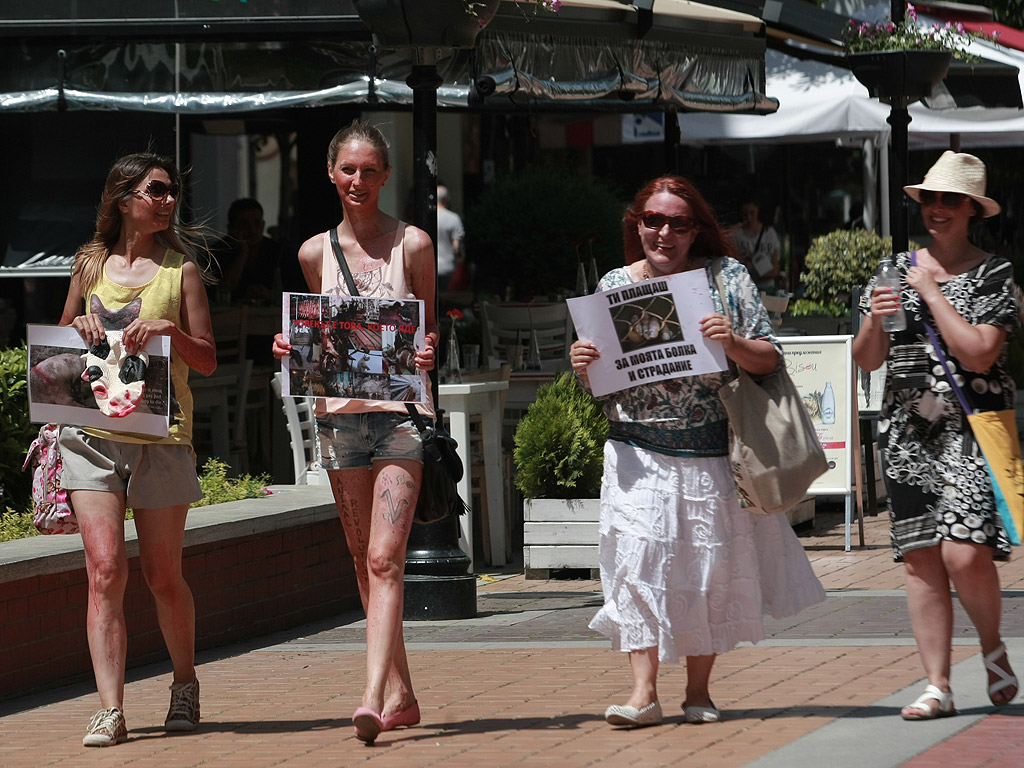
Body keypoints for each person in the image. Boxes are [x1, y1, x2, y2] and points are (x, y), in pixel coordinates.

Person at [570, 175, 825, 729]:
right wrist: (584, 366)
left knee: (708, 570)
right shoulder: (615, 283)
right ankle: (642, 693)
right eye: (653, 221)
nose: (664, 233)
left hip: (711, 451)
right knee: (637, 566)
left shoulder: (726, 278)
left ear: (696, 230)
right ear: (636, 226)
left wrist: (731, 341)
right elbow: (602, 385)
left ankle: (698, 691)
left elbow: (769, 360)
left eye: (678, 223)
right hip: (636, 450)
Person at [272, 120, 438, 744]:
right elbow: (315, 333)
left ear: (386, 175)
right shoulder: (315, 253)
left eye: (370, 170)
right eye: (349, 170)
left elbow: (428, 329)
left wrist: (427, 352)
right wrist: (291, 345)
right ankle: (401, 693)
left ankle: (370, 695)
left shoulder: (413, 244)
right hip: (338, 422)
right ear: (332, 175)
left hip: (400, 418)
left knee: (383, 558)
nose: (359, 181)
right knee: (361, 561)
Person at [852, 151, 1019, 720]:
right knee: (922, 558)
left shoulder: (994, 273)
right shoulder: (891, 268)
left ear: (973, 209)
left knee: (964, 551)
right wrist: (876, 315)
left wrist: (931, 292)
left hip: (970, 424)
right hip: (908, 432)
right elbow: (867, 359)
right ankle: (937, 685)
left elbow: (979, 353)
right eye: (930, 199)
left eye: (951, 200)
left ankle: (992, 646)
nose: (938, 209)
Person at [56, 152, 217, 746]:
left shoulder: (182, 272)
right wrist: (78, 328)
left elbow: (206, 358)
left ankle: (183, 683)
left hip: (159, 440)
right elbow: (61, 340)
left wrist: (172, 333)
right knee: (103, 572)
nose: (169, 200)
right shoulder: (88, 264)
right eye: (157, 190)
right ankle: (110, 708)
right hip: (91, 435)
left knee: (161, 575)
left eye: (172, 191)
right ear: (123, 198)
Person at [219, 198, 284, 303]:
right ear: (231, 228)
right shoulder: (219, 251)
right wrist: (242, 253)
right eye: (244, 224)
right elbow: (223, 289)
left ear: (263, 224)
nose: (252, 230)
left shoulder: (278, 252)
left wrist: (270, 295)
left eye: (257, 223)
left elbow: (297, 294)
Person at [729, 199, 780, 292]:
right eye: (745, 214)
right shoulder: (736, 235)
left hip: (766, 287)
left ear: (757, 211)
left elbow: (775, 267)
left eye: (752, 213)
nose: (748, 217)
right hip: (747, 288)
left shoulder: (769, 233)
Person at [435, 184, 465, 291]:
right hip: (448, 267)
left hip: (431, 267)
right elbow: (457, 246)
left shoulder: (428, 218)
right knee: (448, 301)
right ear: (447, 199)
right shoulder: (454, 218)